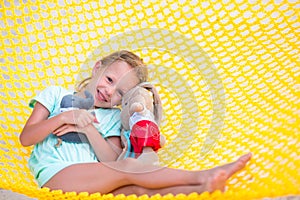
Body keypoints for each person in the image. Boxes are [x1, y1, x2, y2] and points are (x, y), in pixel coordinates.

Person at [19, 50, 252, 196]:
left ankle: (204, 189)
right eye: (109, 79)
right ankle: (200, 175)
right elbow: (26, 138)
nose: (109, 91)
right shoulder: (55, 95)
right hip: (54, 176)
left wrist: (88, 128)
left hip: (90, 185)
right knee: (130, 167)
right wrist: (64, 117)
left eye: (120, 92)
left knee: (136, 190)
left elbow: (111, 162)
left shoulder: (112, 118)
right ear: (97, 67)